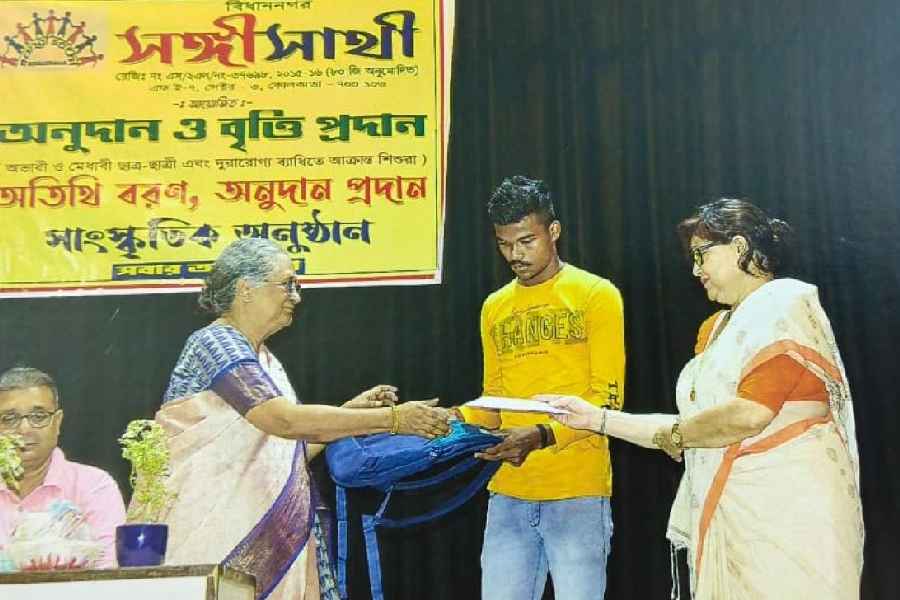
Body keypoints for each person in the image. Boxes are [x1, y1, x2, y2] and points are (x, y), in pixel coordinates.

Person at [542, 199, 864, 599]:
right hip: (734, 518)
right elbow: (689, 427)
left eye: (701, 255)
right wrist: (594, 418)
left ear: (741, 247)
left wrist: (677, 436)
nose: (695, 270)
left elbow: (747, 416)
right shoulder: (714, 330)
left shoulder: (782, 306)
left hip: (791, 518)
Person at [155, 238, 449, 600]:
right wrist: (392, 420)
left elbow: (288, 453)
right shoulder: (217, 343)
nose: (296, 296)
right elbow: (284, 422)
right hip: (211, 536)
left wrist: (352, 412)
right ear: (247, 289)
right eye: (287, 284)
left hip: (259, 533)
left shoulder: (262, 360)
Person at [452, 176, 625, 600]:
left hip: (576, 489)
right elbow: (491, 396)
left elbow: (609, 398)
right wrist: (449, 424)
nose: (515, 254)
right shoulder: (494, 306)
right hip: (508, 490)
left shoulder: (596, 295)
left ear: (554, 231)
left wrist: (542, 435)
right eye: (504, 243)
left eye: (527, 241)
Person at [0, 367, 126, 568]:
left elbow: (108, 571)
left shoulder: (94, 486)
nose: (24, 429)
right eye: (9, 419)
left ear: (57, 422)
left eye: (38, 416)